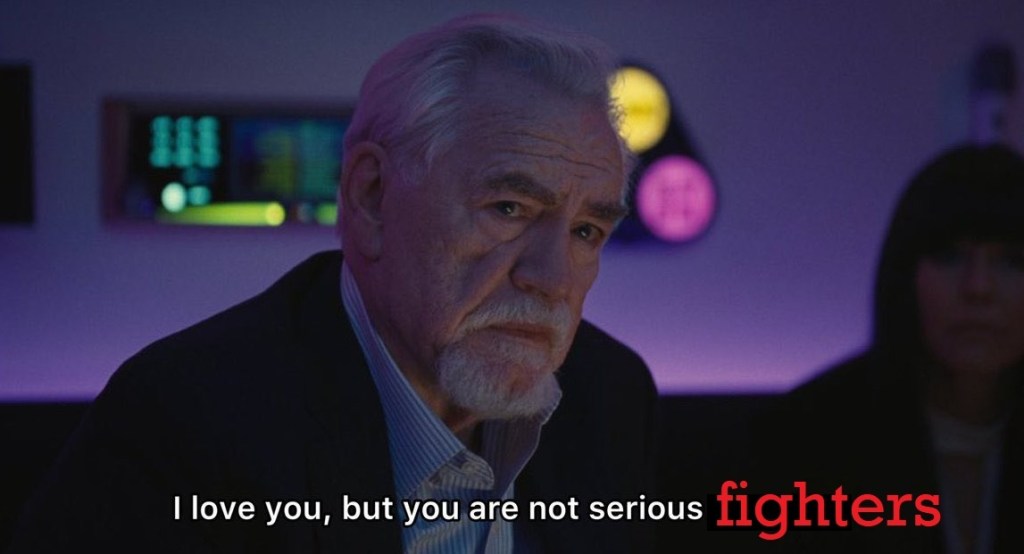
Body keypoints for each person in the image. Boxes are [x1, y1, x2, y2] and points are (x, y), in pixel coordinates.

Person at [8, 13, 657, 553]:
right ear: (371, 197)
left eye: (586, 232)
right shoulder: (181, 419)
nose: (552, 279)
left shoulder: (611, 395)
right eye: (509, 209)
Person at [752, 144, 1024, 553]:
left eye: (1012, 261)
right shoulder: (807, 436)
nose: (978, 288)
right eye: (950, 257)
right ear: (905, 275)